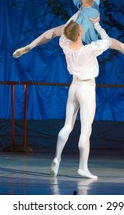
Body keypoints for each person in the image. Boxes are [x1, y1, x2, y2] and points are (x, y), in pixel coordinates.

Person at [50, 15, 109, 179]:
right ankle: (83, 168)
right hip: (87, 88)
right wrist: (97, 25)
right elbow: (107, 41)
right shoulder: (88, 49)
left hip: (74, 86)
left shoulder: (65, 46)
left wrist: (77, 14)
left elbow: (65, 31)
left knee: (68, 125)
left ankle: (57, 158)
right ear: (79, 33)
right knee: (85, 129)